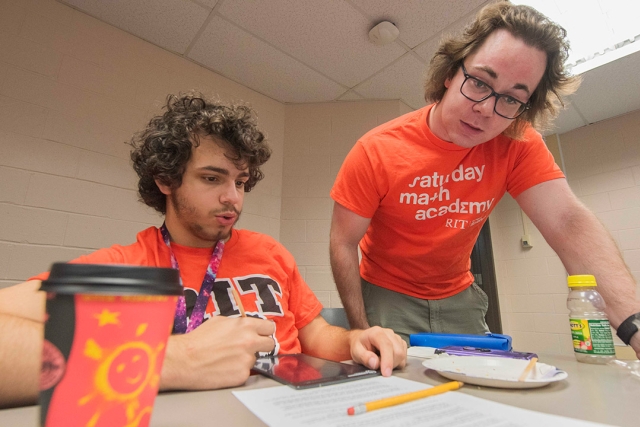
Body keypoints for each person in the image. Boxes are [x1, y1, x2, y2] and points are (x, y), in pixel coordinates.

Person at [0, 93, 406, 409]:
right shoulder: (127, 267)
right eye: (212, 178)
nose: (233, 199)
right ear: (165, 179)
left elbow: (312, 334)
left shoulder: (270, 253)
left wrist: (356, 340)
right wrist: (176, 359)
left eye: (242, 182)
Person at [329, 0, 640, 357]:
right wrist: (361, 329)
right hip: (386, 291)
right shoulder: (376, 150)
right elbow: (342, 242)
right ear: (450, 74)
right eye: (479, 82)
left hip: (459, 293)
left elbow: (567, 222)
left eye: (510, 99)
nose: (485, 110)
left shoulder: (517, 141)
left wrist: (634, 323)